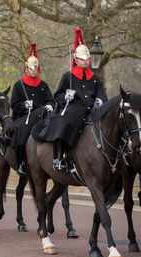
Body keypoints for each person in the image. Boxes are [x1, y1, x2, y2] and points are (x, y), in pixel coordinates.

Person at [37, 28, 107, 171]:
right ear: (76, 59)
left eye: (88, 59)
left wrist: (100, 101)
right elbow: (58, 95)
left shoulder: (94, 79)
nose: (86, 61)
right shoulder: (68, 76)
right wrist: (66, 96)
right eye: (83, 59)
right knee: (66, 120)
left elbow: (101, 94)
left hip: (91, 109)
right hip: (72, 108)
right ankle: (58, 158)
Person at [10, 43, 55, 176]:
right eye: (31, 68)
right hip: (24, 117)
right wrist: (24, 105)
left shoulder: (43, 85)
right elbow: (14, 104)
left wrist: (50, 105)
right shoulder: (19, 85)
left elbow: (50, 99)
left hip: (41, 115)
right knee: (22, 130)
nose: (33, 70)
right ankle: (20, 163)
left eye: (35, 68)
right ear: (27, 68)